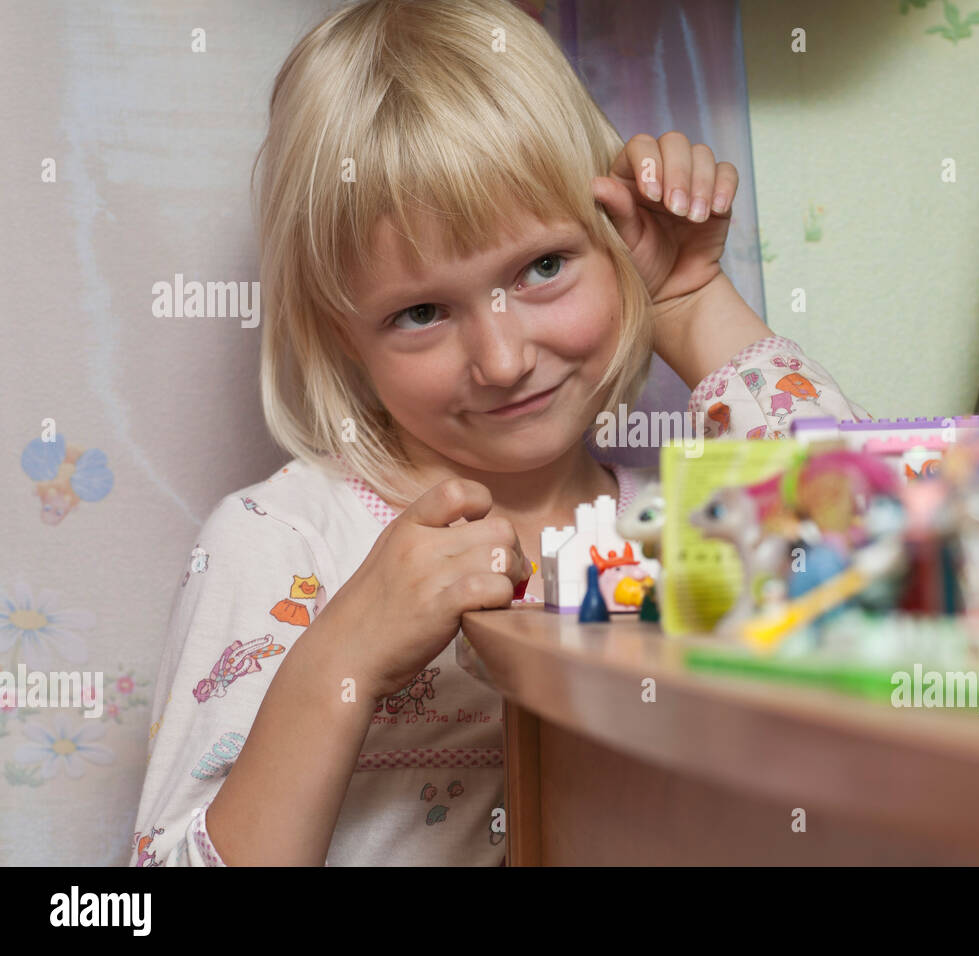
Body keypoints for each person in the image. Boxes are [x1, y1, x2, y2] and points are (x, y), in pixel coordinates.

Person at [129, 0, 868, 866]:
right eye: (420, 312)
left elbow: (875, 560)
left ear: (619, 242)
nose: (504, 358)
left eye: (543, 267)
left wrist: (693, 305)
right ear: (342, 335)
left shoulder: (684, 532)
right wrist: (345, 657)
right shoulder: (285, 547)